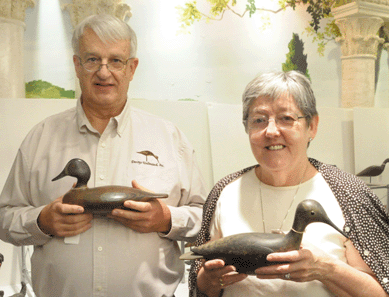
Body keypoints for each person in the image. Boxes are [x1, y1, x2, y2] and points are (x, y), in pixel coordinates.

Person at [0, 14, 206, 297]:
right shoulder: (40, 138)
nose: (104, 72)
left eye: (116, 61)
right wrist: (41, 222)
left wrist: (166, 219)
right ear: (77, 65)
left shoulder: (170, 139)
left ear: (132, 68)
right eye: (92, 59)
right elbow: (4, 217)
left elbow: (205, 220)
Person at [189, 71, 389, 297]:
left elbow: (381, 291)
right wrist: (212, 280)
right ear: (247, 128)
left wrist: (325, 269)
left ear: (312, 126)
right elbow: (201, 286)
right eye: (259, 120)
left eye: (286, 118)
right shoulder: (224, 192)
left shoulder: (349, 193)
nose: (271, 131)